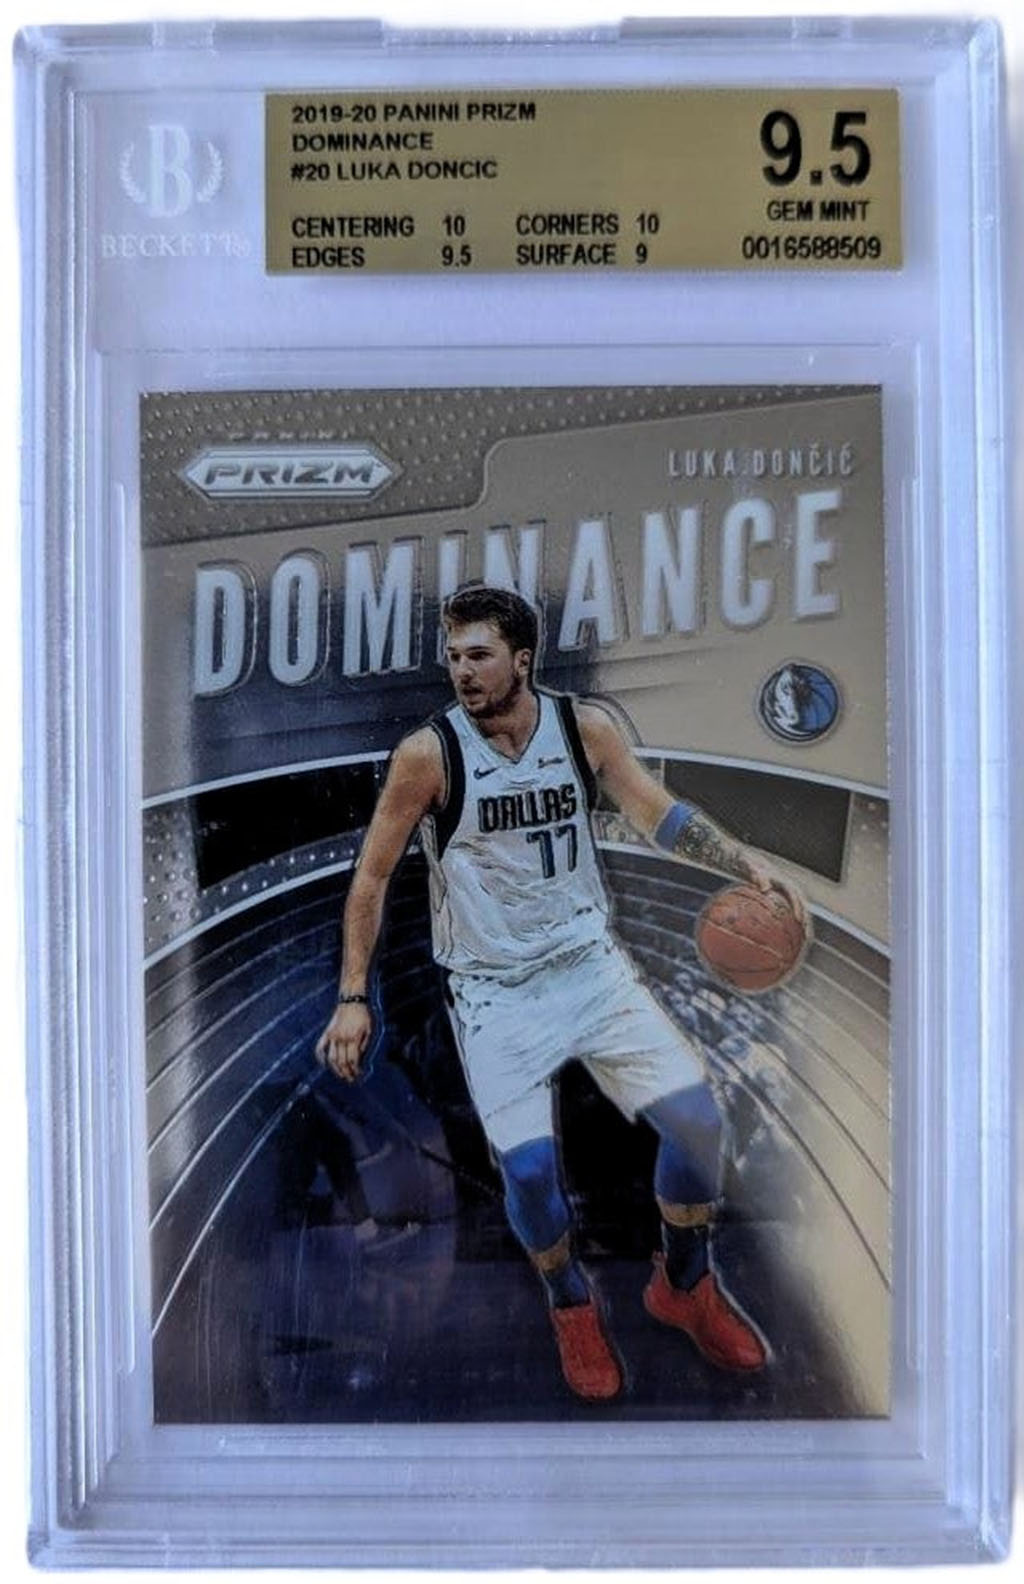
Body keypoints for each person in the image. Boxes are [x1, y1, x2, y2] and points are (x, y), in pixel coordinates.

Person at [316, 586, 807, 1401]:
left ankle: (685, 1284)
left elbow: (654, 812)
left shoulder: (584, 729)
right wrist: (353, 997)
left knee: (698, 1122)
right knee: (533, 1175)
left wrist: (740, 861)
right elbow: (371, 878)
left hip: (589, 967)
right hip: (495, 991)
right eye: (453, 657)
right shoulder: (428, 755)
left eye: (479, 655)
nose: (462, 671)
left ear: (521, 659)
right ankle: (571, 1304)